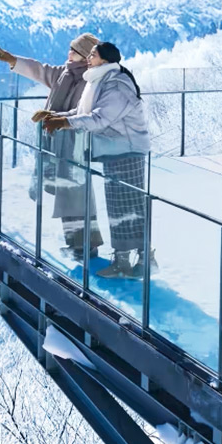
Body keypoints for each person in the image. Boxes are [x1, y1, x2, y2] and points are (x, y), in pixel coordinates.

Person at [41, 41, 152, 280]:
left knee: (129, 207)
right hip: (114, 151)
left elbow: (100, 119)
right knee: (118, 208)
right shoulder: (98, 81)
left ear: (105, 59)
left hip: (128, 150)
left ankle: (144, 261)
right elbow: (82, 113)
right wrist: (55, 116)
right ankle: (123, 261)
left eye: (93, 54)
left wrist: (63, 123)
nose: (89, 57)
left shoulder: (117, 86)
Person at [0, 34, 102, 257]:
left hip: (75, 146)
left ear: (83, 55)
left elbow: (83, 114)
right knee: (65, 194)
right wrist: (13, 60)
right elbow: (39, 69)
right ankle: (75, 245)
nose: (68, 53)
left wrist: (54, 117)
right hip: (57, 143)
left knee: (76, 196)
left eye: (73, 50)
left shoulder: (89, 81)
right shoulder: (65, 73)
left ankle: (85, 247)